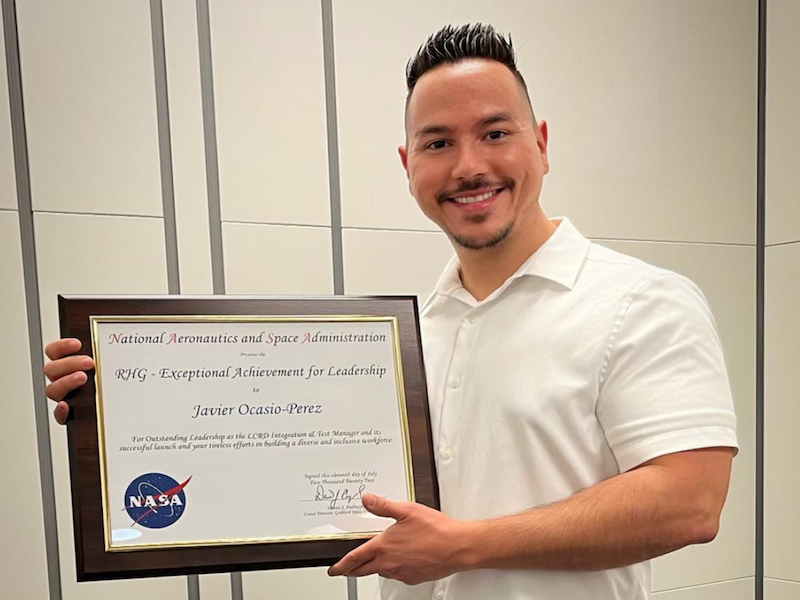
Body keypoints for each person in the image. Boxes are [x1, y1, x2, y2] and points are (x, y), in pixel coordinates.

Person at [45, 23, 737, 600]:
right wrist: (127, 407)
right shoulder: (401, 340)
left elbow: (688, 503)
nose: (468, 165)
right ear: (409, 164)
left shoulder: (640, 301)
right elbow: (266, 445)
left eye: (495, 133)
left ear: (542, 144)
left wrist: (462, 547)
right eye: (438, 143)